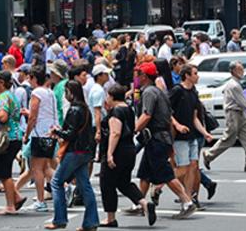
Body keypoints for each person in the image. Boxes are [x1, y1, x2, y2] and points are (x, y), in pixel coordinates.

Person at [135, 60, 196, 220]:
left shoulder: (149, 92)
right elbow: (169, 116)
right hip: (161, 138)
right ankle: (139, 203)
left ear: (145, 76)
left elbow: (146, 115)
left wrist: (133, 130)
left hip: (156, 138)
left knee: (166, 174)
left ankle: (187, 201)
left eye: (139, 74)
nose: (137, 77)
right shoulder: (160, 90)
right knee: (145, 174)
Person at [99, 84, 156, 227]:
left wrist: (110, 154)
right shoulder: (128, 110)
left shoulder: (116, 112)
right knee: (123, 182)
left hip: (118, 150)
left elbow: (115, 133)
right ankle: (144, 203)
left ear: (112, 97)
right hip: (129, 149)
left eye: (108, 96)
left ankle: (110, 218)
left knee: (107, 183)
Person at [46, 81, 98, 230]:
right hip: (85, 151)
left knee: (56, 182)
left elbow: (70, 134)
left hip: (74, 151)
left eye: (66, 92)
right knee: (85, 186)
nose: (65, 95)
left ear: (71, 92)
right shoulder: (85, 109)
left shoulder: (74, 110)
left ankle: (60, 220)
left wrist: (56, 131)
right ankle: (91, 222)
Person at [202, 62, 246, 172]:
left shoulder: (236, 83)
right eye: (239, 69)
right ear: (233, 71)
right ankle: (209, 155)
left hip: (240, 113)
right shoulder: (233, 85)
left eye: (242, 69)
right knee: (229, 139)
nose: (242, 71)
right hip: (234, 114)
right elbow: (243, 102)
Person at [169, 64, 213, 208]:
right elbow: (168, 112)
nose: (197, 76)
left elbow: (195, 117)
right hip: (180, 137)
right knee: (183, 167)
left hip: (192, 135)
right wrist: (177, 125)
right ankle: (160, 184)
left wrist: (204, 133)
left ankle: (187, 199)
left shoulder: (193, 92)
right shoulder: (177, 91)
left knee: (193, 166)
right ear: (187, 75)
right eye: (195, 73)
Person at [0, 70, 26, 216]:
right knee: (3, 170)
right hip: (14, 136)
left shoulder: (4, 97)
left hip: (7, 137)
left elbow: (2, 117)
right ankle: (16, 197)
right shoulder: (11, 96)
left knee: (4, 172)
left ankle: (10, 205)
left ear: (1, 82)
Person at [23, 65, 58, 212]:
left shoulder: (36, 92)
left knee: (36, 168)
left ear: (34, 78)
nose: (28, 81)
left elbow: (33, 116)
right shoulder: (50, 92)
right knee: (46, 167)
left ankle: (40, 200)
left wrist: (27, 134)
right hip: (51, 131)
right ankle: (67, 187)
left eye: (30, 78)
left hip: (39, 133)